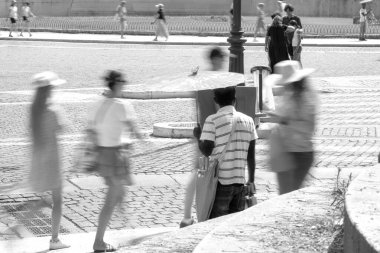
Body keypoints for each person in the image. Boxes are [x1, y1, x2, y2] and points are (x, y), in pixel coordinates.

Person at [91, 70, 143, 252]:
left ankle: (129, 226)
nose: (125, 85)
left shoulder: (100, 103)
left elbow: (94, 130)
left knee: (120, 193)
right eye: (123, 82)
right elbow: (134, 130)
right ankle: (99, 241)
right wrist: (143, 140)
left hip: (103, 157)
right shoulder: (122, 105)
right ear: (118, 84)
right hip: (115, 157)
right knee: (111, 200)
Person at [179, 47, 227, 228]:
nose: (223, 63)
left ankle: (186, 215)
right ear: (216, 60)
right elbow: (218, 109)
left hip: (201, 131)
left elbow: (196, 101)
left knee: (197, 172)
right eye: (222, 59)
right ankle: (203, 214)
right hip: (213, 133)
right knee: (209, 174)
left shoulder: (201, 80)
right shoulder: (217, 82)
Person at [194, 86, 257, 219]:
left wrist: (198, 136)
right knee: (231, 226)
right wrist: (251, 180)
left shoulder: (212, 120)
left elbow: (206, 151)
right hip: (240, 183)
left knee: (216, 224)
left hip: (220, 183)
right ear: (235, 100)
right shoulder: (248, 121)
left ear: (215, 100)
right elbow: (251, 156)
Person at [29, 71, 70, 250]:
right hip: (53, 160)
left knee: (45, 198)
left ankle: (25, 219)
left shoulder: (34, 109)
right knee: (57, 201)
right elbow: (63, 127)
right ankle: (54, 240)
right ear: (49, 90)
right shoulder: (52, 110)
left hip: (38, 159)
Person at [267, 60, 318, 194]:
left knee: (289, 196)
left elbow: (308, 128)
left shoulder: (307, 99)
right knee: (286, 195)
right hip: (287, 151)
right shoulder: (290, 95)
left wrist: (283, 120)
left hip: (300, 153)